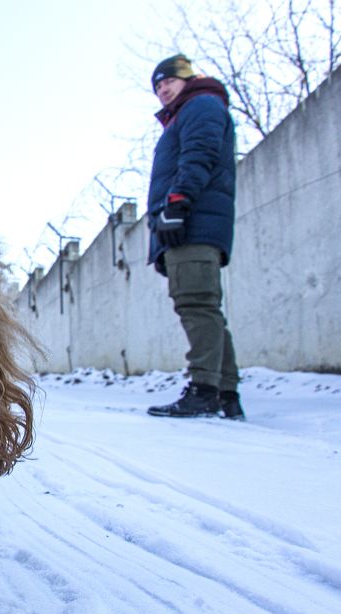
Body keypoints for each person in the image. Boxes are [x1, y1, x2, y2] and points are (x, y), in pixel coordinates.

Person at [145, 54, 245, 420]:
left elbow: (198, 155)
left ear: (188, 78)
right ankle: (225, 393)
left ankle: (204, 390)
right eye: (157, 86)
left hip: (192, 225)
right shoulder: (192, 109)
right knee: (206, 309)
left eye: (168, 80)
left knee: (196, 306)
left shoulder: (200, 105)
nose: (162, 89)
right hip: (194, 224)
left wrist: (176, 203)